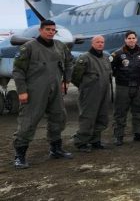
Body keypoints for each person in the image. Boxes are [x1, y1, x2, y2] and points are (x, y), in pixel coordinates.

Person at [12, 20, 74, 169]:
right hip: (34, 90)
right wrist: (22, 91)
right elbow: (18, 70)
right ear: (40, 30)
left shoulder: (60, 46)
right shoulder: (28, 47)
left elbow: (69, 62)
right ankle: (19, 156)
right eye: (48, 29)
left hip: (55, 90)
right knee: (28, 121)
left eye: (53, 30)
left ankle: (56, 149)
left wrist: (66, 80)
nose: (51, 32)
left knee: (58, 118)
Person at [71, 35, 113, 152]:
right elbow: (75, 76)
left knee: (102, 116)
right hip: (89, 93)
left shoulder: (105, 57)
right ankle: (81, 142)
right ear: (92, 43)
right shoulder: (84, 58)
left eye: (102, 42)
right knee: (88, 117)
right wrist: (86, 87)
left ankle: (95, 140)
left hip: (104, 92)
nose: (100, 44)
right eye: (98, 42)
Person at [110, 30, 140, 146]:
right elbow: (111, 68)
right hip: (123, 87)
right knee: (120, 112)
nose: (131, 40)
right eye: (129, 38)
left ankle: (138, 133)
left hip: (138, 86)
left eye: (133, 38)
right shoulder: (117, 54)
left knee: (139, 111)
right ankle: (118, 136)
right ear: (125, 40)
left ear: (136, 39)